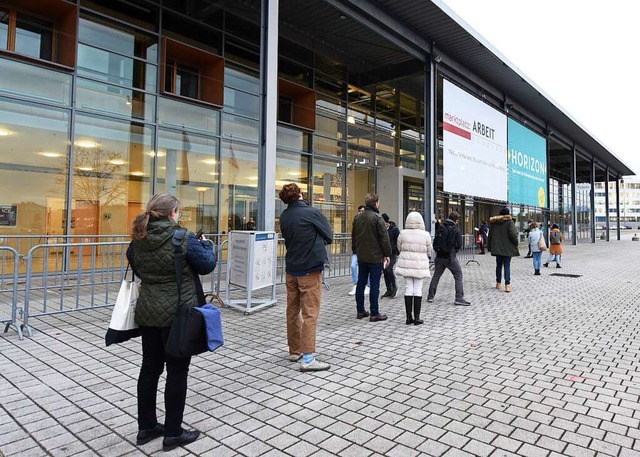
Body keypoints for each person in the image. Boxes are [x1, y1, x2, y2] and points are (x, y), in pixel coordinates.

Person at [127, 193, 216, 451]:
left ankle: (146, 428)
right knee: (177, 371)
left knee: (150, 368)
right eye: (178, 211)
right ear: (173, 212)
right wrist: (207, 245)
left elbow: (138, 267)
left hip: (148, 312)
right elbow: (207, 265)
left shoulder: (138, 238)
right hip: (178, 314)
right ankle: (174, 432)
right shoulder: (183, 237)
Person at [278, 183, 333, 372]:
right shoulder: (312, 212)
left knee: (292, 310)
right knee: (310, 313)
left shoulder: (284, 216)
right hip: (310, 269)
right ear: (300, 194)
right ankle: (308, 358)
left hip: (291, 268)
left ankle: (295, 350)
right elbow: (329, 235)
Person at [352, 193, 392, 321]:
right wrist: (387, 254)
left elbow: (354, 237)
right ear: (375, 203)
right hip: (375, 257)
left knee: (361, 283)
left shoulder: (358, 217)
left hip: (362, 256)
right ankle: (374, 313)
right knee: (375, 285)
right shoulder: (377, 218)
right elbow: (384, 239)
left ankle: (360, 311)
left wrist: (355, 250)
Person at [395, 212, 432, 325]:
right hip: (419, 265)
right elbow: (429, 250)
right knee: (418, 289)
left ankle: (408, 317)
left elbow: (399, 247)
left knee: (408, 289)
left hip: (406, 264)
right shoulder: (425, 234)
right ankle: (417, 317)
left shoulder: (403, 233)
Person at [427, 212, 470, 306]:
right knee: (458, 275)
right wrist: (453, 251)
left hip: (439, 256)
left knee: (436, 276)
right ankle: (459, 298)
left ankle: (430, 296)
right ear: (456, 220)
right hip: (450, 257)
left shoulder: (441, 227)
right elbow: (459, 244)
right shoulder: (455, 229)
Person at [487, 207, 520, 293]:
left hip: (497, 248)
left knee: (498, 265)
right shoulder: (509, 222)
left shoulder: (494, 222)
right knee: (507, 266)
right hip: (507, 248)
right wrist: (516, 243)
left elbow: (490, 235)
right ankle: (507, 285)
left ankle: (498, 283)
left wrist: (489, 246)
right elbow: (513, 234)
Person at [348, 205, 369, 296]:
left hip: (366, 250)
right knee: (353, 266)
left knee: (365, 267)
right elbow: (353, 235)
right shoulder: (356, 221)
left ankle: (367, 285)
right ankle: (356, 284)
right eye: (359, 211)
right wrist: (354, 246)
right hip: (357, 249)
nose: (361, 212)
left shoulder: (368, 221)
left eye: (363, 211)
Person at [381, 213, 400, 299]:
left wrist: (397, 250)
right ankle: (388, 289)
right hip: (384, 253)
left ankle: (394, 287)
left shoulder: (395, 229)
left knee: (389, 269)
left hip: (392, 253)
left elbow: (398, 241)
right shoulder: (382, 229)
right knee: (385, 270)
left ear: (387, 221)